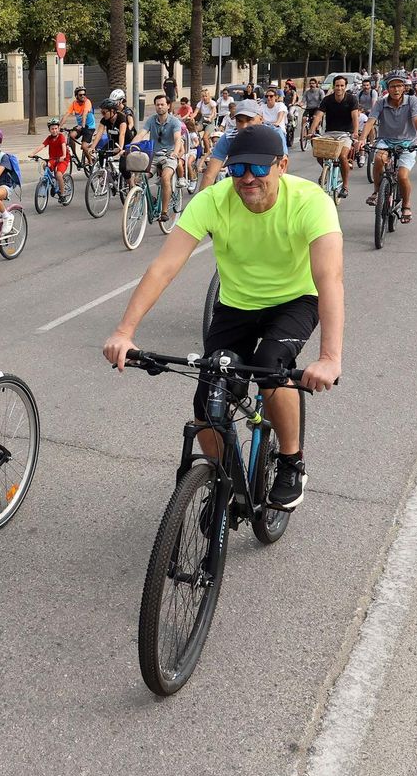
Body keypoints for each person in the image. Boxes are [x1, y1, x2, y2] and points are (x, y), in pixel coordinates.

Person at [102, 124, 343, 511]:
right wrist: (124, 331)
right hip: (236, 305)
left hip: (296, 300)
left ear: (282, 165)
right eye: (239, 168)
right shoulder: (213, 200)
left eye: (260, 169)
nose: (248, 178)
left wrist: (330, 357)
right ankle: (223, 477)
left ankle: (291, 462)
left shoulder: (311, 202)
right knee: (207, 397)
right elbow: (164, 267)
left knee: (269, 367)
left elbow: (329, 279)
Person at [360, 71, 417, 222]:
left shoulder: (412, 101)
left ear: (404, 87)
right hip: (386, 140)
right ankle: (377, 192)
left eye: (399, 86)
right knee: (378, 158)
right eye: (392, 86)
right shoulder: (380, 103)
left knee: (402, 176)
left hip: (408, 143)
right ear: (387, 88)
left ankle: (406, 205)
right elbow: (371, 120)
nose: (396, 89)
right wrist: (361, 139)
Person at [132, 93, 185, 222]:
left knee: (165, 178)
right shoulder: (151, 120)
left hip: (169, 156)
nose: (160, 107)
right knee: (138, 178)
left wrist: (175, 152)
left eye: (162, 104)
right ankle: (151, 199)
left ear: (168, 106)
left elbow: (178, 138)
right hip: (153, 156)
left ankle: (164, 211)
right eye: (157, 105)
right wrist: (130, 147)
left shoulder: (174, 122)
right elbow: (141, 134)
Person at [309, 76, 361, 198]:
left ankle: (345, 186)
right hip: (329, 133)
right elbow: (318, 116)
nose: (339, 88)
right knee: (319, 153)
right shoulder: (327, 100)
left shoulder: (352, 99)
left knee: (343, 156)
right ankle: (326, 170)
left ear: (345, 87)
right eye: (337, 85)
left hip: (345, 134)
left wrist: (355, 132)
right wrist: (311, 131)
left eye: (342, 85)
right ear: (333, 86)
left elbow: (355, 117)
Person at [200, 100, 262, 189]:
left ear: (261, 119)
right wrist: (201, 201)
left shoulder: (273, 136)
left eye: (249, 120)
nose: (244, 126)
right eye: (239, 121)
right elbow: (209, 176)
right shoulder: (228, 138)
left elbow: (280, 173)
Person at [28, 119, 74, 204]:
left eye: (56, 128)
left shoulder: (61, 137)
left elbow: (63, 145)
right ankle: (52, 182)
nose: (54, 130)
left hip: (62, 159)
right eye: (52, 129)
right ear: (49, 130)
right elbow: (42, 146)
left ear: (59, 128)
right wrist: (33, 153)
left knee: (59, 174)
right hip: (53, 158)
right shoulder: (49, 138)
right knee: (44, 165)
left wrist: (63, 155)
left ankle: (63, 194)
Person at [64, 86, 95, 159]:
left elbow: (84, 114)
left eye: (84, 94)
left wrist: (82, 126)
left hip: (89, 127)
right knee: (71, 136)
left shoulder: (87, 102)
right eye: (80, 95)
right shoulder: (74, 103)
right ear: (76, 96)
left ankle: (90, 162)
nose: (83, 96)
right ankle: (74, 155)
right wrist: (58, 127)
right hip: (80, 126)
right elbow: (66, 115)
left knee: (84, 147)